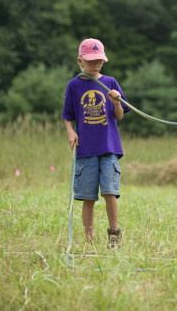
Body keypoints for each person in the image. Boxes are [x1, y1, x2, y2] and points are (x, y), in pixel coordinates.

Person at [62, 38, 131, 249]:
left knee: (110, 191)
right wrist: (71, 132)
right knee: (87, 196)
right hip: (86, 150)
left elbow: (119, 116)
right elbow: (68, 114)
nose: (96, 65)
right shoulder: (74, 85)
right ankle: (89, 237)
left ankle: (114, 233)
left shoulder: (110, 83)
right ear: (80, 61)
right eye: (91, 61)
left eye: (99, 61)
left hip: (109, 148)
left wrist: (116, 102)